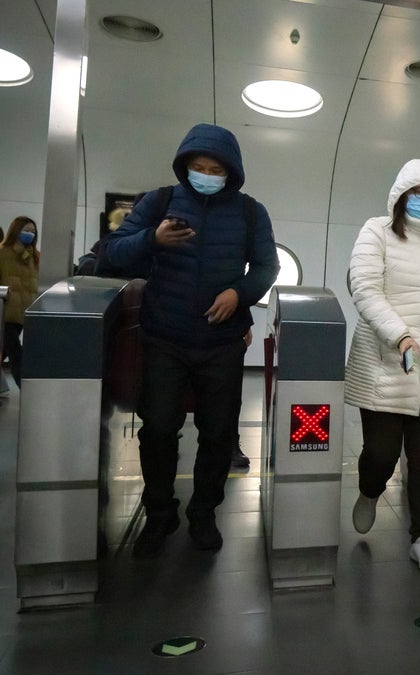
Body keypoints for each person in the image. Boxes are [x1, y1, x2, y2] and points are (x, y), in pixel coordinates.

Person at [104, 124, 279, 559]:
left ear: (230, 172)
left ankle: (204, 514)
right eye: (197, 167)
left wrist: (239, 293)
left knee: (218, 433)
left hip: (222, 342)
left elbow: (267, 266)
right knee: (159, 429)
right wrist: (153, 239)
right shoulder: (158, 201)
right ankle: (160, 514)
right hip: (165, 337)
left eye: (214, 168)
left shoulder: (250, 212)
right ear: (185, 167)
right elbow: (112, 251)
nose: (205, 174)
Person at [346, 159, 420, 573]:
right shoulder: (376, 230)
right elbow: (364, 287)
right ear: (401, 194)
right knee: (381, 452)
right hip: (384, 359)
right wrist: (400, 335)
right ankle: (369, 490)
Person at [0, 216, 40, 388]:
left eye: (33, 232)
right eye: (26, 230)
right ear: (16, 230)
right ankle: (26, 392)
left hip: (25, 313)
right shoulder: (0, 253)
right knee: (16, 353)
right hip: (6, 313)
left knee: (3, 352)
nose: (30, 234)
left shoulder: (34, 256)